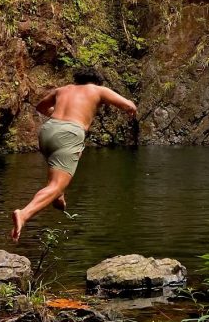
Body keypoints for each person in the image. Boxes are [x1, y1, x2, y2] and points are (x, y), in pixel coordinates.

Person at [10, 67, 138, 242]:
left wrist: (58, 119)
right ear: (96, 82)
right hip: (70, 133)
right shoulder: (97, 90)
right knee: (56, 184)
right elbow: (128, 105)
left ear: (77, 80)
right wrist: (131, 109)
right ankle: (24, 214)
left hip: (48, 130)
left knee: (65, 166)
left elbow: (40, 107)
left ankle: (59, 195)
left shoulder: (62, 90)